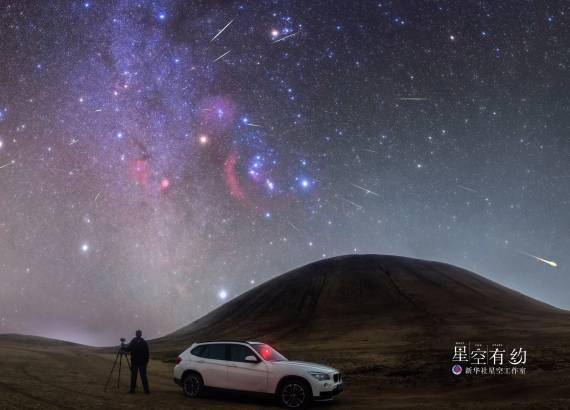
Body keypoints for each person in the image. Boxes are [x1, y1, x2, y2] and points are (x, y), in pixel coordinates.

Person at [124, 329, 150, 394]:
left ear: (137, 334)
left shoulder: (134, 341)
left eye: (138, 333)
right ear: (140, 334)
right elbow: (147, 354)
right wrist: (146, 362)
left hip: (136, 362)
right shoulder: (144, 342)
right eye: (138, 333)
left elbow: (128, 349)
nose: (138, 334)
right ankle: (146, 390)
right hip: (140, 363)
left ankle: (132, 390)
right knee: (142, 377)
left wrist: (124, 348)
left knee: (134, 376)